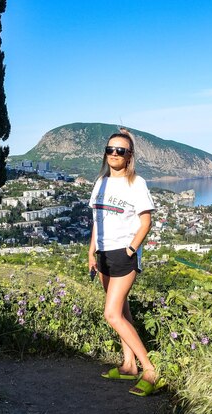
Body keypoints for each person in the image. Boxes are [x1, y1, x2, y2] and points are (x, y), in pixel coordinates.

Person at [88, 128, 158, 397]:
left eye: (121, 150)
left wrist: (131, 249)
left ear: (129, 156)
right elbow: (97, 220)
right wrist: (91, 251)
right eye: (110, 149)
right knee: (123, 311)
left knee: (112, 314)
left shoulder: (136, 183)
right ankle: (129, 365)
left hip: (124, 255)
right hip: (103, 253)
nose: (114, 154)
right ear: (105, 154)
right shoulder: (100, 182)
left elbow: (146, 221)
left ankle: (150, 370)